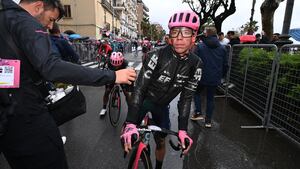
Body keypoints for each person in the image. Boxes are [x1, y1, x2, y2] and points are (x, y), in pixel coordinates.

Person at [0, 0, 136, 169]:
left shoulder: (5, 18)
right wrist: (112, 76)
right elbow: (51, 66)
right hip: (27, 119)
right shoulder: (26, 22)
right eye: (51, 19)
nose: (50, 26)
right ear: (38, 7)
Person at [120, 10, 203, 169]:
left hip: (161, 106)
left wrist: (183, 130)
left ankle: (158, 166)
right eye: (175, 32)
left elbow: (186, 99)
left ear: (194, 36)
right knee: (126, 136)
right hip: (143, 101)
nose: (179, 37)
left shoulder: (196, 64)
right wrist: (130, 122)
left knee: (160, 141)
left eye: (185, 32)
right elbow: (139, 88)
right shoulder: (155, 55)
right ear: (170, 36)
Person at [190, 26, 228, 128]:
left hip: (201, 76)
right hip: (215, 77)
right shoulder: (222, 48)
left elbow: (193, 62)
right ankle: (208, 121)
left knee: (197, 93)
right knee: (210, 99)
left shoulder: (200, 47)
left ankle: (198, 112)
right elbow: (225, 65)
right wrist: (222, 76)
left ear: (206, 34)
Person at [99, 52, 133, 116]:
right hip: (111, 75)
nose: (116, 67)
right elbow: (103, 73)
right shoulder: (107, 62)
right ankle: (104, 108)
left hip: (122, 75)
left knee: (126, 93)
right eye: (114, 65)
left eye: (118, 65)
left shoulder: (125, 63)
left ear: (122, 61)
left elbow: (130, 73)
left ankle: (131, 108)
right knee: (107, 91)